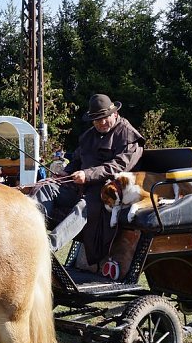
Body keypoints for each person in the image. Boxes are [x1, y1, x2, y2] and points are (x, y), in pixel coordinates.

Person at [32, 94, 145, 264]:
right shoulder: (89, 136)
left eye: (105, 117)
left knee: (84, 206)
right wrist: (66, 172)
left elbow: (119, 166)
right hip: (81, 188)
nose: (101, 123)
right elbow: (77, 160)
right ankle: (31, 236)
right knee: (46, 187)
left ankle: (46, 248)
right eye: (97, 120)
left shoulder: (129, 136)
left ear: (115, 113)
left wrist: (87, 175)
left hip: (110, 192)